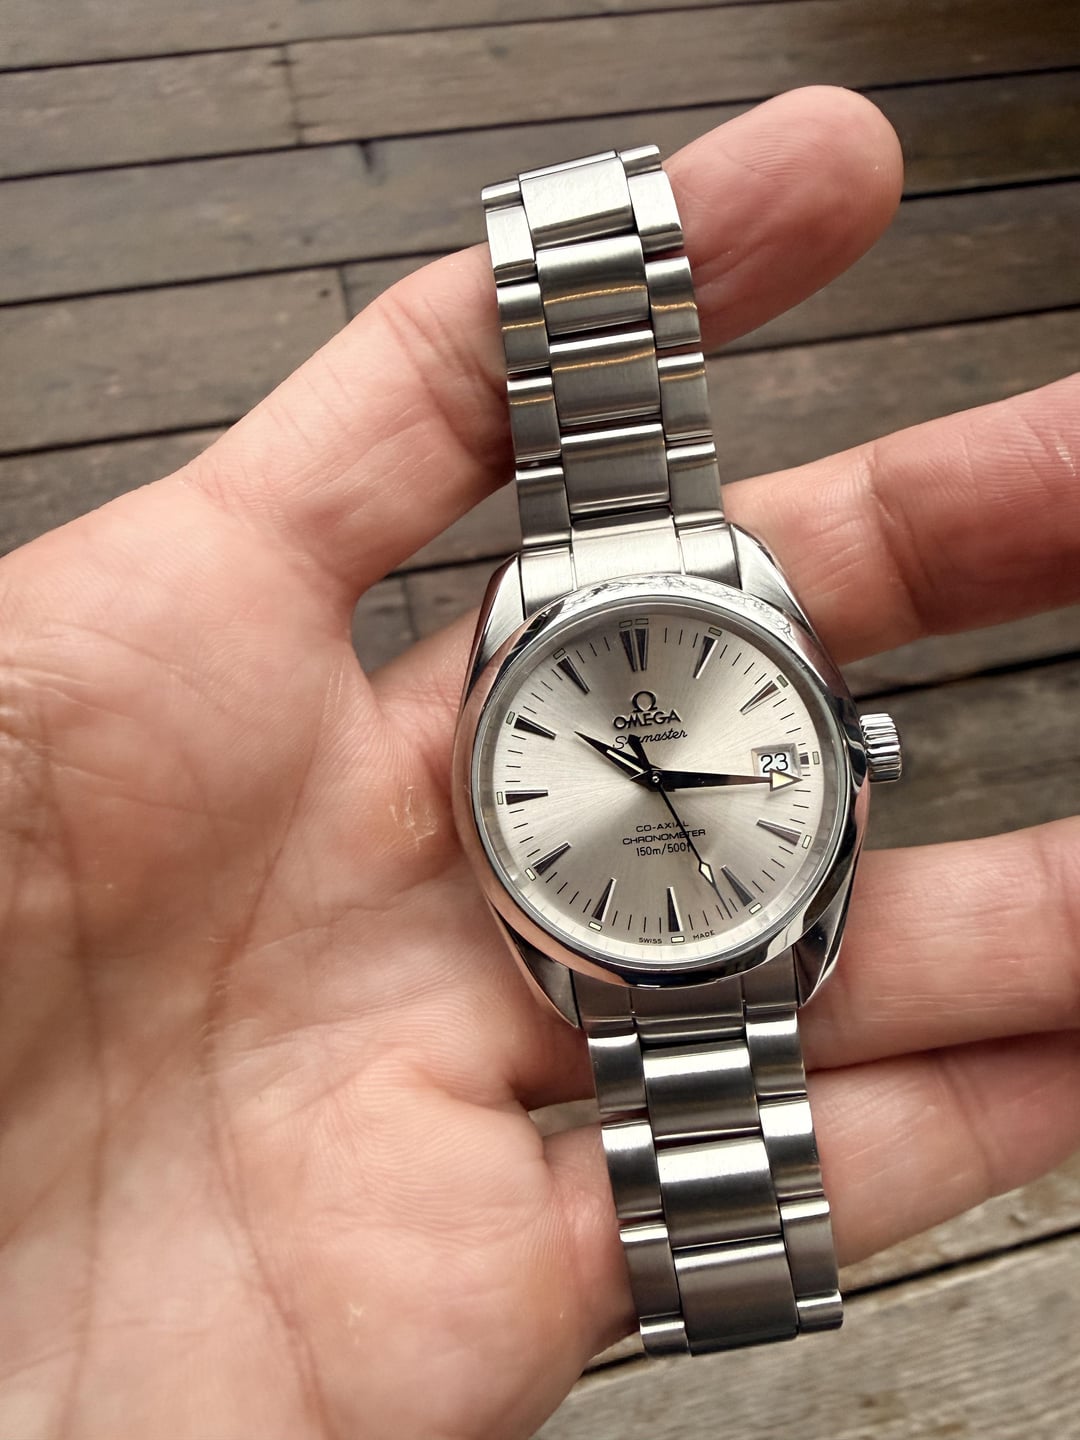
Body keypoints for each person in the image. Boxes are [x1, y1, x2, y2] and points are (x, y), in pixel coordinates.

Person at [1, 87, 1077, 1440]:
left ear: (852, 758)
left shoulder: (702, 620)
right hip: (652, 917)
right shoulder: (649, 642)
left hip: (684, 908)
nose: (662, 785)